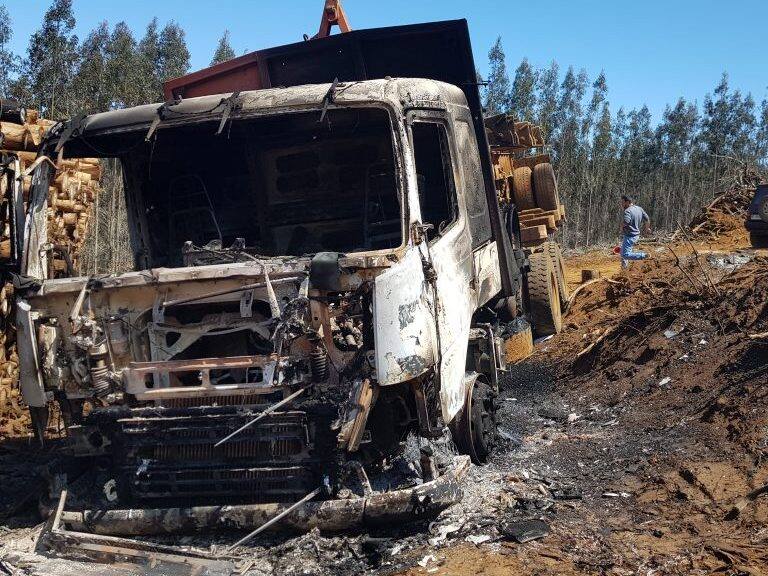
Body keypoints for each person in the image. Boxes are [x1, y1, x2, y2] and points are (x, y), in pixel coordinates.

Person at [619, 194, 651, 269]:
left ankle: (644, 256)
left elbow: (626, 221)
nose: (621, 204)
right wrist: (647, 228)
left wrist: (621, 227)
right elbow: (647, 219)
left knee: (625, 254)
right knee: (623, 251)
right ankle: (624, 268)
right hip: (636, 235)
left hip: (630, 236)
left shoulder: (627, 211)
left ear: (627, 202)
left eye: (623, 202)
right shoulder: (639, 208)